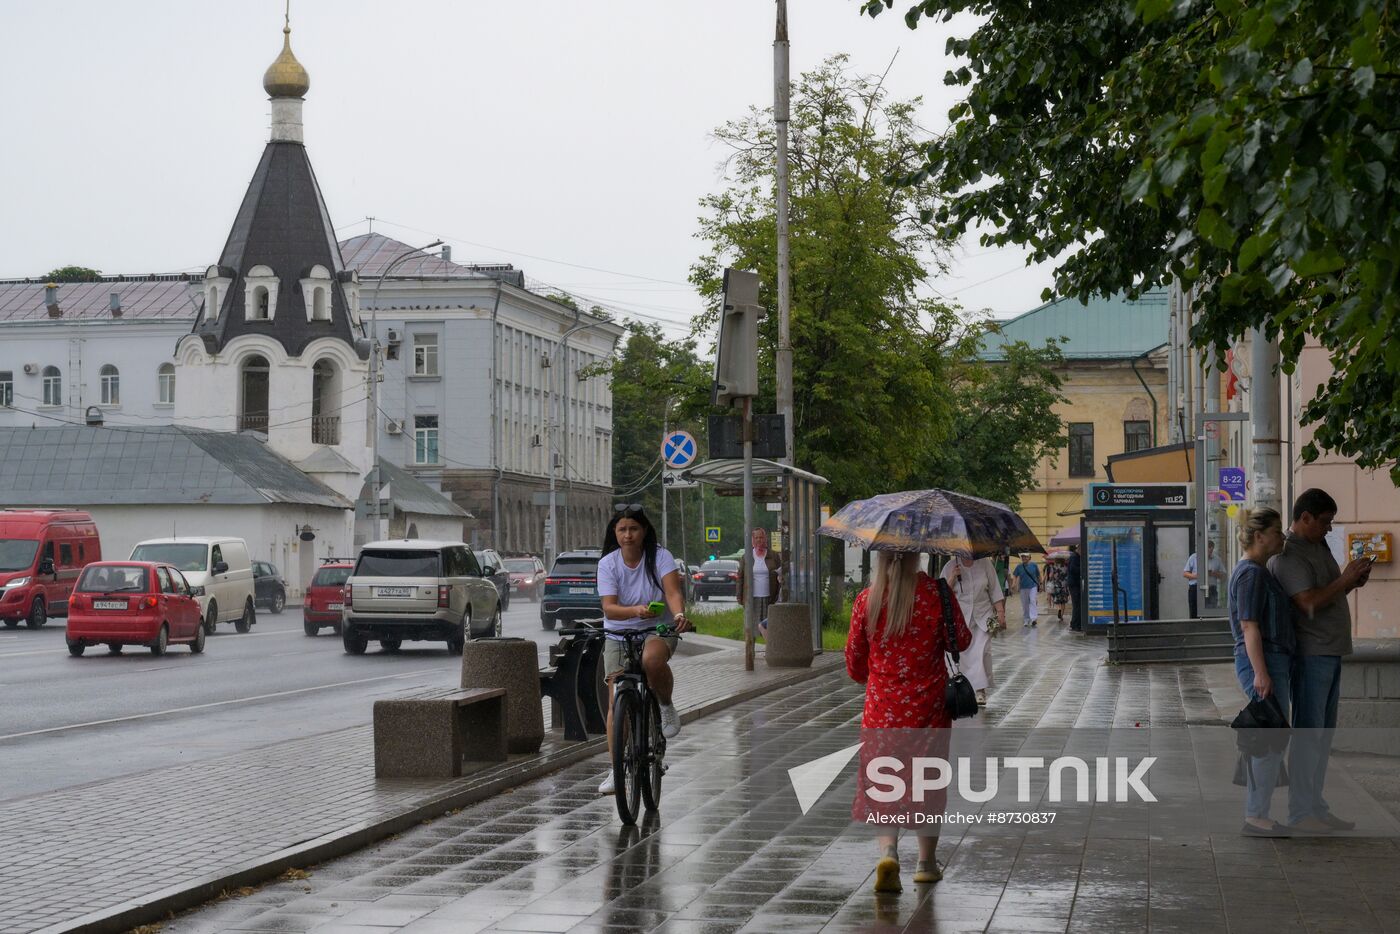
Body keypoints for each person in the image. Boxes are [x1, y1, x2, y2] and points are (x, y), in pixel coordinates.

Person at [846, 551, 971, 894]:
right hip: (928, 710)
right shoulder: (936, 594)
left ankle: (888, 853)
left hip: (881, 711)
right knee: (926, 781)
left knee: (885, 781)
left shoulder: (866, 601)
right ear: (918, 555)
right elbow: (961, 640)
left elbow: (855, 665)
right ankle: (926, 864)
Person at [1268, 488, 1373, 833]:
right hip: (1312, 654)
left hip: (1330, 650)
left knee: (1322, 736)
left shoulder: (1317, 546)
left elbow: (1328, 592)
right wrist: (1343, 579)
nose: (1329, 529)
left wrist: (1351, 583)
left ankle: (1315, 804)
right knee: (1309, 735)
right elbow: (1309, 603)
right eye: (1325, 522)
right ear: (1305, 517)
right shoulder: (1288, 555)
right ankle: (1301, 811)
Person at [595, 504, 692, 795]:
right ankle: (615, 769)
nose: (628, 535)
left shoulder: (660, 556)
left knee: (651, 660)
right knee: (616, 699)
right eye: (622, 529)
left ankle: (665, 705)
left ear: (644, 530)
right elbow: (609, 608)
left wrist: (677, 616)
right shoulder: (608, 563)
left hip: (657, 629)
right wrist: (636, 610)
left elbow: (673, 592)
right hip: (617, 633)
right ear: (615, 532)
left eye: (633, 529)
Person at [1228, 507, 1296, 836]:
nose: (1282, 537)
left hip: (1269, 660)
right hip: (1263, 660)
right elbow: (1249, 625)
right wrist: (1261, 673)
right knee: (1268, 741)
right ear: (1259, 536)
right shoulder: (1251, 574)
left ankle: (1258, 812)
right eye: (1277, 531)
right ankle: (1256, 816)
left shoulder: (1258, 570)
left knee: (1268, 739)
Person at [940, 555, 1006, 706]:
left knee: (982, 653)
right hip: (961, 618)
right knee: (964, 656)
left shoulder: (985, 564)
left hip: (983, 616)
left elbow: (995, 589)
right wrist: (952, 578)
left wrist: (1001, 613)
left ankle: (980, 690)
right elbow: (942, 592)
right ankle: (964, 689)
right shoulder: (950, 566)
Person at [739, 527, 782, 638]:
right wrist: (740, 597)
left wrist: (778, 594)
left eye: (761, 537)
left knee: (770, 626)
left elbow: (781, 575)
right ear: (752, 540)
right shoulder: (747, 557)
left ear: (765, 539)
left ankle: (769, 651)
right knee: (751, 628)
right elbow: (740, 578)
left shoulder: (773, 556)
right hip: (752, 598)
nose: (759, 540)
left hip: (770, 598)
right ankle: (750, 651)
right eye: (756, 537)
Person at [1184, 541, 1227, 618]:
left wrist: (1214, 573)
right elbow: (1185, 573)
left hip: (1211, 589)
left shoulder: (1217, 559)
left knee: (1211, 613)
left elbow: (1224, 575)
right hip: (1195, 588)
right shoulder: (1193, 557)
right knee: (1194, 613)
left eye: (1211, 550)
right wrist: (1198, 576)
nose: (1209, 552)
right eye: (1208, 550)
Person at [1011, 553, 1041, 627]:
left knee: (1033, 600)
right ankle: (1026, 619)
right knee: (1025, 603)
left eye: (1026, 557)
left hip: (1033, 586)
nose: (1024, 558)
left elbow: (1038, 574)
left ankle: (1033, 618)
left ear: (1029, 557)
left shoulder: (1034, 565)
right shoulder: (1019, 566)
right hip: (1023, 587)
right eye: (1023, 557)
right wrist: (1014, 583)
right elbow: (1015, 575)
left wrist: (1041, 583)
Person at [1065, 544, 1084, 632]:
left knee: (1077, 605)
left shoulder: (1075, 556)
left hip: (1075, 584)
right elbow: (1073, 569)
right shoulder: (1074, 557)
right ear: (1079, 549)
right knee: (1077, 605)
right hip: (1074, 584)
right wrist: (1084, 569)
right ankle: (1076, 625)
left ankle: (1074, 623)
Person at [1046, 558, 1070, 622]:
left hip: (1057, 586)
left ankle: (1059, 609)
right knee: (1063, 602)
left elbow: (1050, 576)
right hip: (1064, 586)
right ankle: (1061, 615)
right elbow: (1068, 576)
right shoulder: (1066, 567)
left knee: (1058, 600)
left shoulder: (1054, 567)